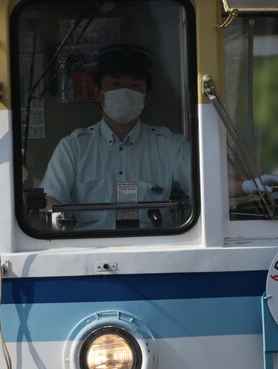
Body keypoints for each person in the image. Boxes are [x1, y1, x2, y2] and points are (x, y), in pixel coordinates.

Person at [41, 44, 191, 232]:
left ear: (147, 96)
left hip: (154, 249)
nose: (125, 92)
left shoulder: (172, 146)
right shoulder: (73, 148)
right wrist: (54, 210)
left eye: (135, 86)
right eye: (115, 84)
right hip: (89, 250)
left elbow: (211, 184)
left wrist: (241, 185)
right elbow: (50, 198)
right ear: (98, 93)